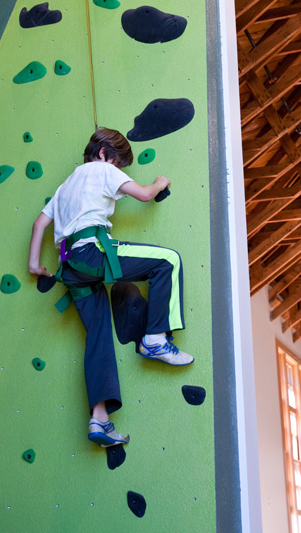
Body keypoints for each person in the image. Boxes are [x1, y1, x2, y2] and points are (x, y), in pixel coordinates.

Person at [28, 127, 193, 448]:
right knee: (168, 260)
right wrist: (160, 183)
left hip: (71, 269)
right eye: (119, 165)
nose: (119, 173)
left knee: (99, 334)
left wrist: (35, 265)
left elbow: (39, 224)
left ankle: (100, 418)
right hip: (92, 251)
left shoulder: (66, 185)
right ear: (105, 155)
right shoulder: (102, 169)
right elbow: (144, 194)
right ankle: (156, 339)